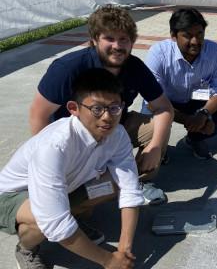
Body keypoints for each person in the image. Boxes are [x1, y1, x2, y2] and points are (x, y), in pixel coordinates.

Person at [29, 5, 174, 205]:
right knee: (79, 202)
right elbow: (39, 115)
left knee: (155, 129)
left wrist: (156, 147)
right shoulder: (67, 68)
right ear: (95, 39)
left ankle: (140, 181)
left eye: (124, 39)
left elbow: (164, 107)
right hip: (73, 139)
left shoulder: (135, 67)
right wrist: (50, 162)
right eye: (110, 38)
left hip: (113, 129)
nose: (117, 45)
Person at [1, 68, 142, 269]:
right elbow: (54, 221)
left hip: (65, 188)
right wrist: (109, 260)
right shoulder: (54, 146)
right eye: (97, 109)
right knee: (46, 220)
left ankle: (73, 226)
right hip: (11, 195)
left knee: (115, 184)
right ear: (74, 108)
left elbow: (130, 188)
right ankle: (25, 249)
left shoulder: (117, 135)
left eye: (114, 108)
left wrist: (124, 249)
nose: (107, 117)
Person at [142, 8, 217, 159]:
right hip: (164, 100)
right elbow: (152, 100)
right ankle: (160, 145)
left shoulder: (216, 52)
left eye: (199, 34)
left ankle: (194, 138)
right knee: (149, 127)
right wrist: (190, 120)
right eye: (188, 35)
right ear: (173, 36)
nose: (195, 41)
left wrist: (204, 114)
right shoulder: (158, 53)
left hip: (197, 98)